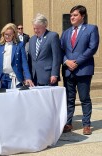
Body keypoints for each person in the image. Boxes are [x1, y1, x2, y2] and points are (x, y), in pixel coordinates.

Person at [61, 5, 99, 135]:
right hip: (68, 70)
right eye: (71, 15)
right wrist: (67, 61)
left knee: (84, 98)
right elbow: (61, 50)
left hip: (83, 69)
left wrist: (77, 62)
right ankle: (68, 123)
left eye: (75, 15)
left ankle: (86, 125)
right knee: (69, 99)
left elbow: (92, 48)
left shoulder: (91, 29)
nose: (72, 17)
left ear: (82, 16)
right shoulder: (66, 33)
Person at [0, 23, 34, 89]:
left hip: (15, 78)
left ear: (14, 34)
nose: (7, 36)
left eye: (10, 35)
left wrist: (28, 77)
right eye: (6, 34)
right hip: (1, 78)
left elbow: (24, 63)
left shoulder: (19, 45)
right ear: (3, 34)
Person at [27, 13, 62, 86]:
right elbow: (30, 59)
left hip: (48, 77)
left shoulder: (52, 36)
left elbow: (56, 57)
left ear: (45, 26)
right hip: (34, 78)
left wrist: (54, 74)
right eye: (34, 28)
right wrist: (28, 76)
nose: (36, 30)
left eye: (38, 28)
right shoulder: (32, 39)